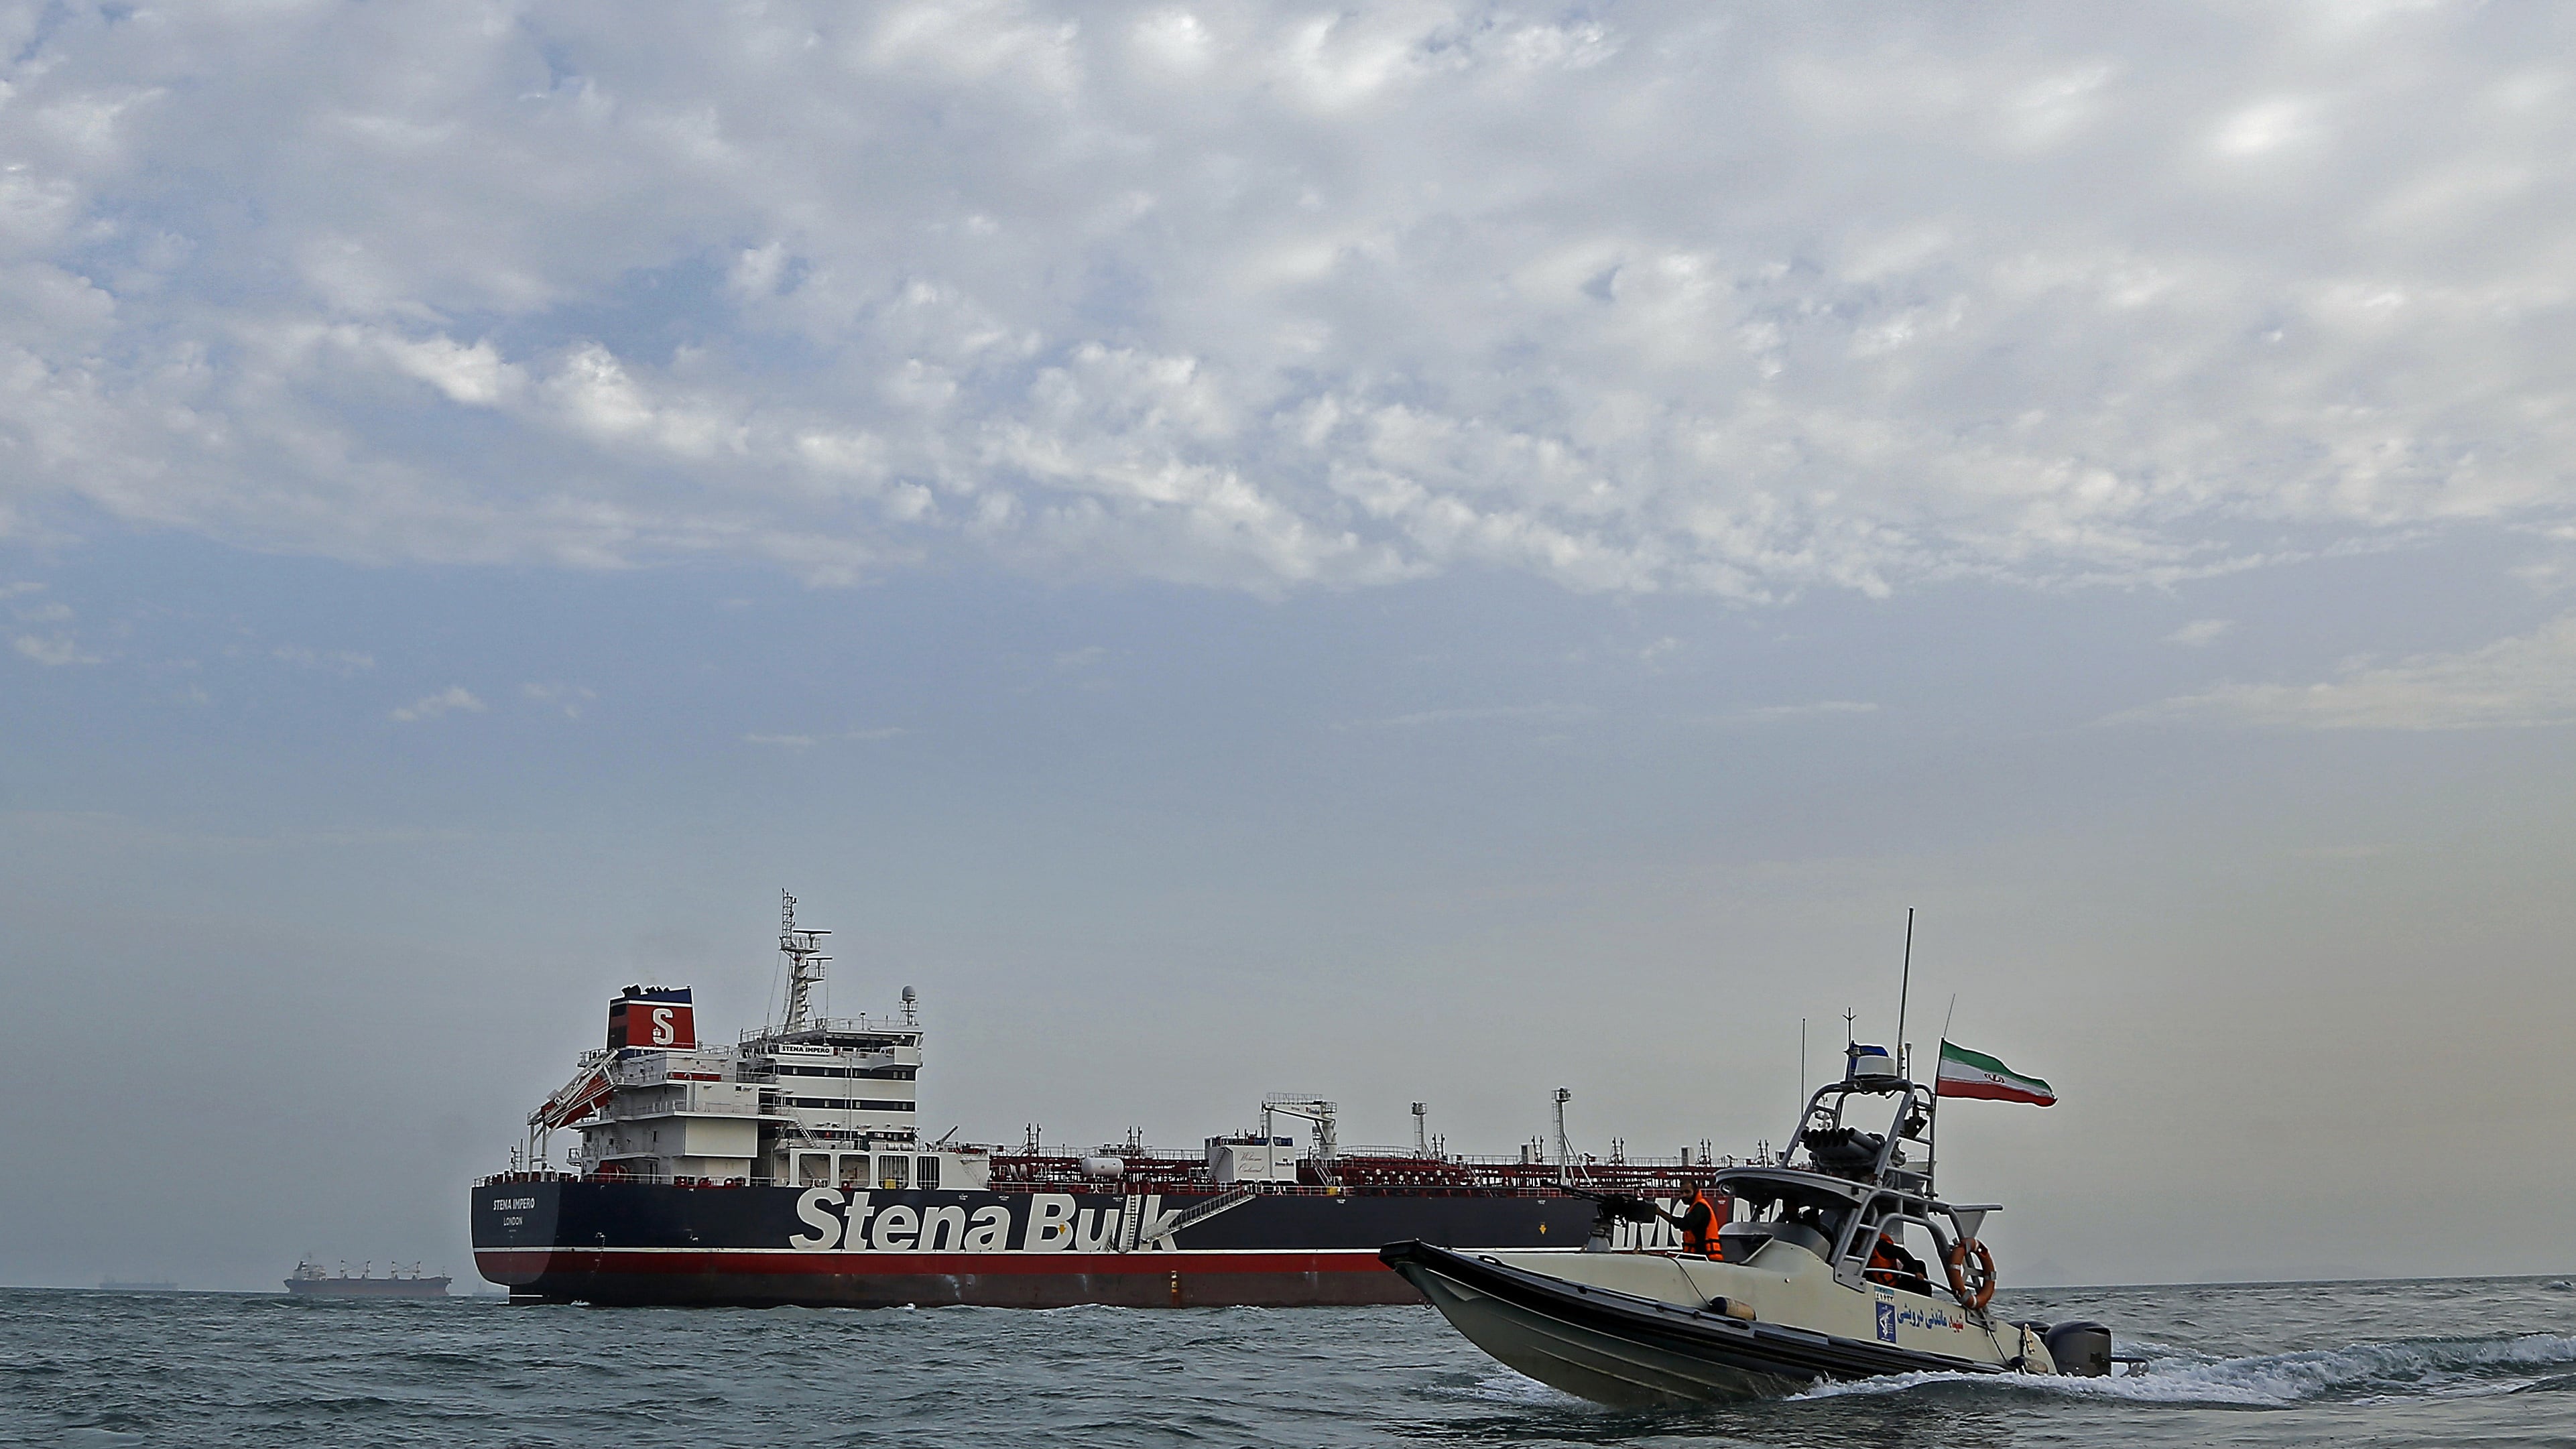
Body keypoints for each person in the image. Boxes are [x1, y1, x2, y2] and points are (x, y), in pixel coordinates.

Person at [1678, 1190, 1721, 1258]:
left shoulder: (1701, 1208)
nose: (1684, 1195)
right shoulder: (1692, 1209)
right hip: (1695, 1256)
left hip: (1706, 1256)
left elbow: (1684, 1225)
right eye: (1681, 1193)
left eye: (1687, 1192)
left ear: (1696, 1191)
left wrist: (1662, 1213)